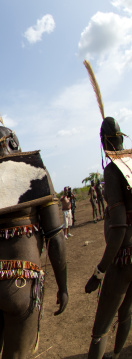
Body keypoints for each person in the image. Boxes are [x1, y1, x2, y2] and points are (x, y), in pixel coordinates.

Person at [0, 126, 68, 359]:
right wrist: (64, 287)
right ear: (15, 143)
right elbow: (56, 237)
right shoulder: (34, 171)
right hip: (20, 280)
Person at [85, 116, 132, 359]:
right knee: (127, 312)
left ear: (103, 141)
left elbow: (120, 227)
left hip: (124, 258)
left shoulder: (114, 170)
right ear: (121, 138)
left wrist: (100, 272)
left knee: (100, 329)